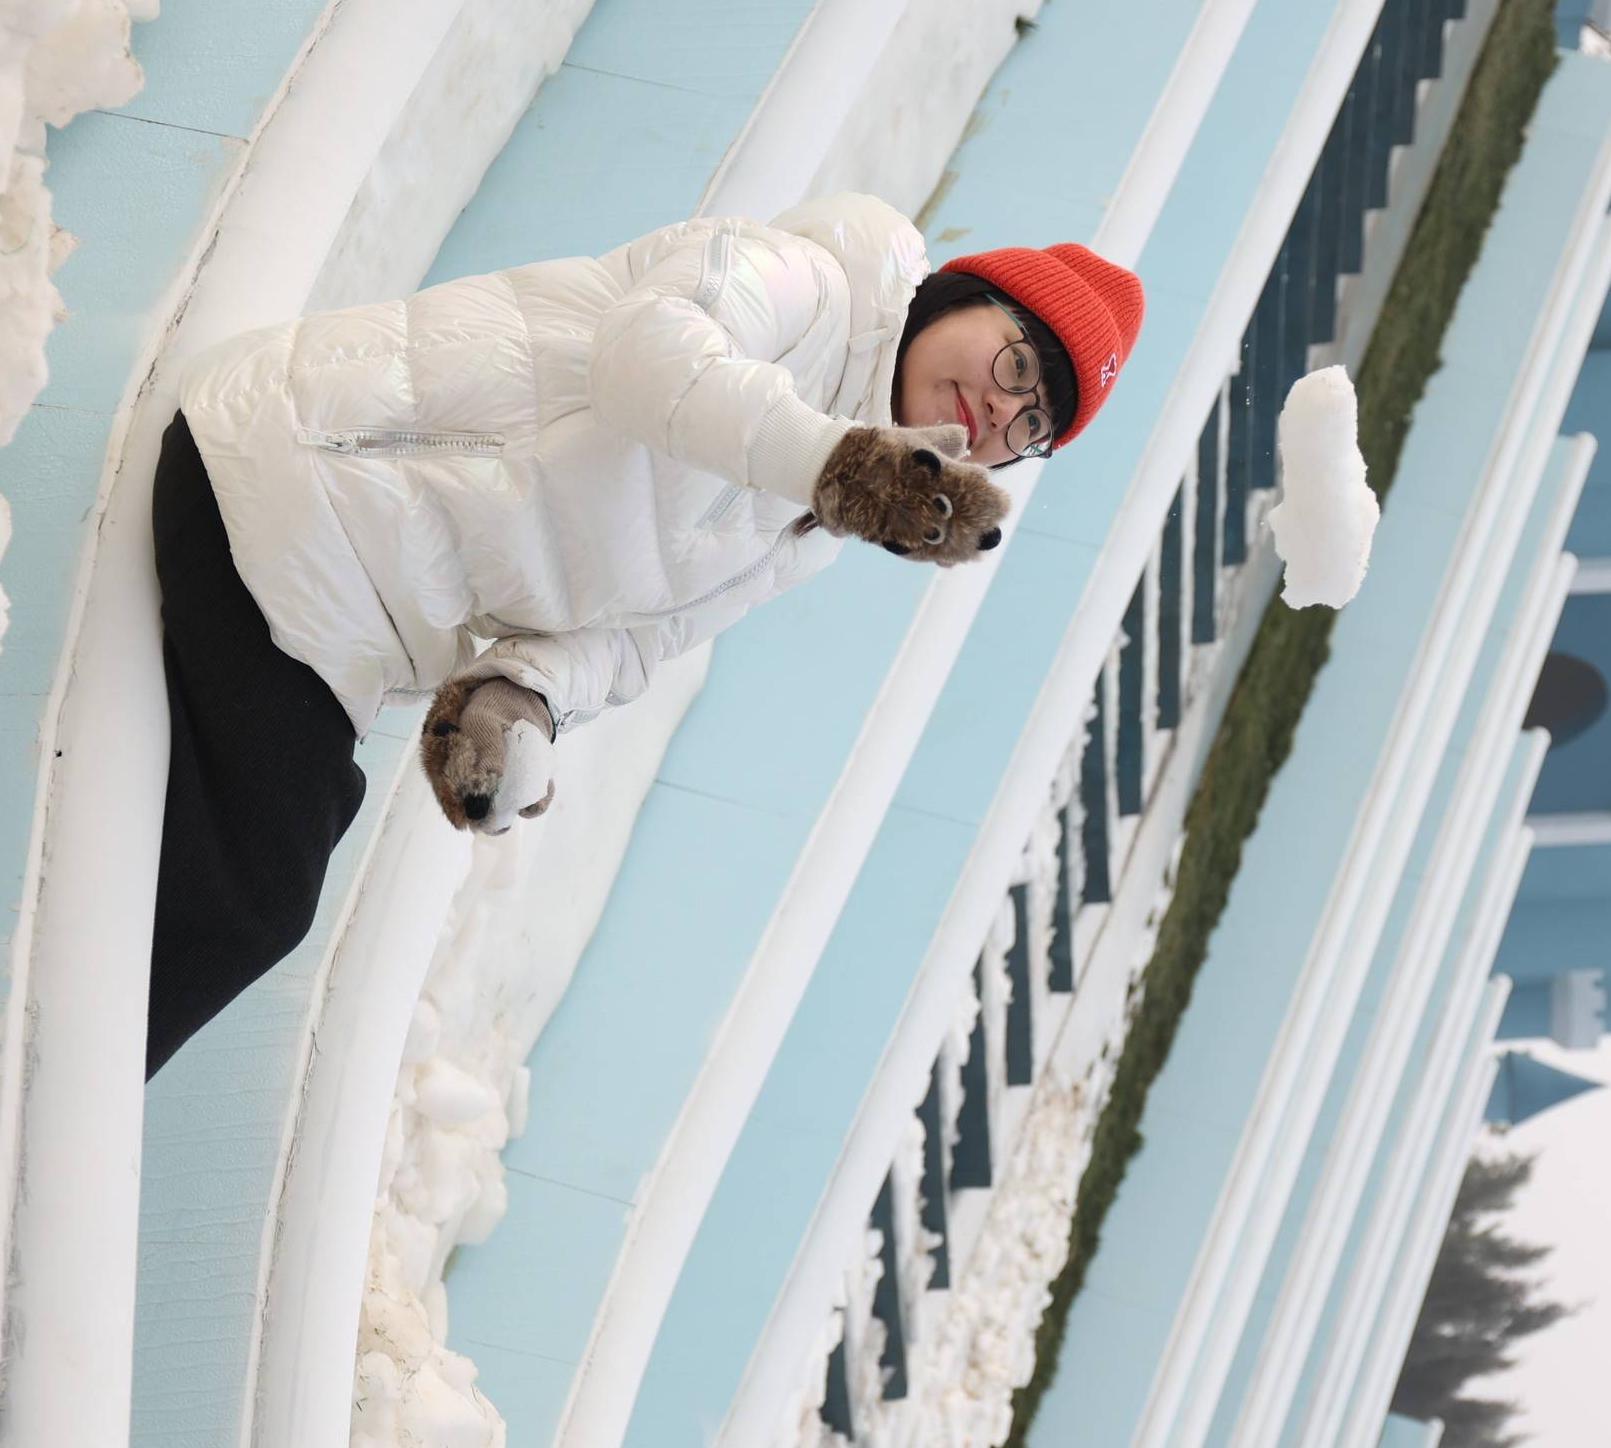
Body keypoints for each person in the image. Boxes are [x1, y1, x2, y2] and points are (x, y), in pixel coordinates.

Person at [145, 191, 1144, 1077]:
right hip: (308, 470)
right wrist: (834, 464)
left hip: (348, 593)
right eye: (1018, 360)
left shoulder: (813, 528)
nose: (1006, 406)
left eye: (1035, 422)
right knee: (256, 895)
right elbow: (648, 357)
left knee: (252, 867)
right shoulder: (814, 283)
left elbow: (637, 638)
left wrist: (519, 701)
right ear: (964, 298)